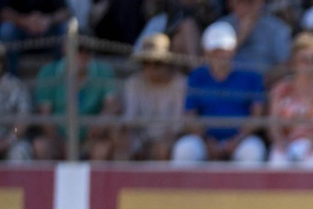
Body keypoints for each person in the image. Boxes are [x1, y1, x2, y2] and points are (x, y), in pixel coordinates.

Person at [172, 21, 268, 163]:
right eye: (215, 50)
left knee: (253, 151)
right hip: (204, 140)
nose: (220, 55)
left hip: (241, 140)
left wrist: (237, 141)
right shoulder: (197, 76)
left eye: (224, 50)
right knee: (185, 150)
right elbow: (190, 114)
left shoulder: (251, 75)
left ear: (233, 49)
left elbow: (257, 114)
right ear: (206, 52)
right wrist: (206, 141)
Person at [31, 36, 120, 162]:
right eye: (78, 49)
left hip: (92, 139)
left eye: (88, 50)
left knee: (104, 147)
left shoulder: (104, 71)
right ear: (65, 49)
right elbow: (45, 116)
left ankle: (97, 182)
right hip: (58, 139)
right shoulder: (49, 72)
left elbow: (112, 106)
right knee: (41, 146)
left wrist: (101, 121)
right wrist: (62, 143)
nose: (83, 54)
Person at [266, 32, 313, 164]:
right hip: (285, 143)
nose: (309, 66)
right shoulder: (281, 89)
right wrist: (282, 144)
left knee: (312, 160)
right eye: (304, 60)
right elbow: (274, 124)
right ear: (294, 62)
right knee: (277, 160)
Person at [116, 33, 188, 161]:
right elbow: (130, 121)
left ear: (167, 63)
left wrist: (159, 145)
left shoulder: (180, 84)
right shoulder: (134, 83)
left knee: (162, 150)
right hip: (139, 138)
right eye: (146, 62)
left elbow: (177, 127)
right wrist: (139, 144)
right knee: (121, 149)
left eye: (157, 63)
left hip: (169, 140)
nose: (151, 68)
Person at [217, 0, 294, 78]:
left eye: (250, 3)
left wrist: (265, 80)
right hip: (225, 84)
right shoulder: (221, 26)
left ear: (261, 3)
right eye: (239, 2)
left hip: (262, 85)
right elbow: (212, 61)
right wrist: (240, 37)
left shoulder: (278, 29)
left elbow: (285, 65)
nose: (244, 7)